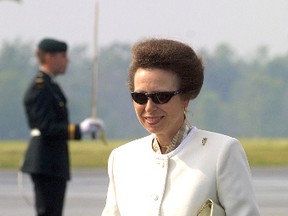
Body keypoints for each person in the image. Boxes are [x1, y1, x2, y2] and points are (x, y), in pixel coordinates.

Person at [101, 38, 260, 216]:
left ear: (185, 98)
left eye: (161, 96)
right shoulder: (122, 158)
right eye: (139, 97)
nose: (149, 107)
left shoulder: (222, 152)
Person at [21, 38, 102, 216]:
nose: (67, 60)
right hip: (45, 160)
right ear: (50, 57)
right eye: (63, 56)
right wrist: (80, 129)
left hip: (53, 161)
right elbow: (46, 127)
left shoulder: (50, 85)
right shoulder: (40, 87)